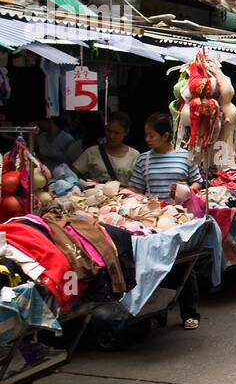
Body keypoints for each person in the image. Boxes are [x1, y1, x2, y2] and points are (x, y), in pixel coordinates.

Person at [131, 111, 205, 329]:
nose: (147, 139)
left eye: (151, 135)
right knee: (155, 267)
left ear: (165, 135)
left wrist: (184, 192)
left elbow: (197, 183)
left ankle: (190, 313)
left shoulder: (185, 156)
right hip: (153, 222)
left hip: (181, 220)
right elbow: (137, 188)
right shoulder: (143, 159)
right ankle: (157, 314)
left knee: (183, 265)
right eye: (146, 135)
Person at [73, 111, 139, 184]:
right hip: (97, 194)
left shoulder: (134, 155)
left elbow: (138, 186)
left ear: (126, 132)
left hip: (123, 194)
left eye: (117, 133)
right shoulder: (92, 152)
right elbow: (72, 175)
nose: (111, 136)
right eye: (109, 131)